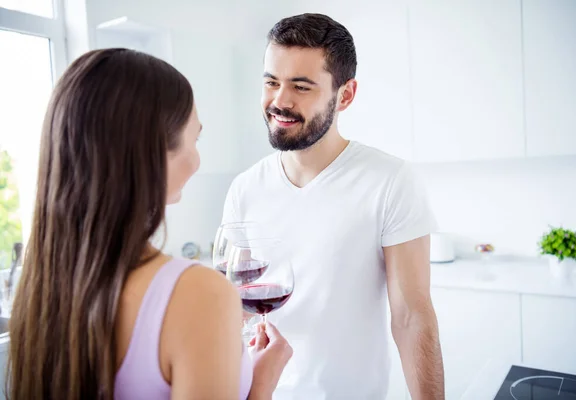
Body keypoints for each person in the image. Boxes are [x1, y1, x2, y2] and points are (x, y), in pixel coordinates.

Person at [6, 48, 292, 400]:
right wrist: (261, 384)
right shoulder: (197, 293)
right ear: (152, 152)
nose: (197, 158)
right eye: (195, 138)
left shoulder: (40, 286)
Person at [221, 13, 444, 399]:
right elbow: (235, 306)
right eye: (271, 82)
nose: (279, 101)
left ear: (345, 95)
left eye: (301, 87)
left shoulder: (389, 181)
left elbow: (411, 318)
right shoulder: (245, 188)